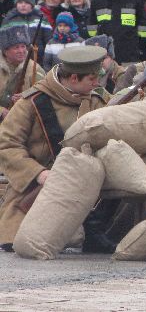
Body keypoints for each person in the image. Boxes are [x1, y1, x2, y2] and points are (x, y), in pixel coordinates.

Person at [0, 46, 110, 253]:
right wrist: (38, 174)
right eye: (92, 79)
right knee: (23, 241)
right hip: (36, 186)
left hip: (87, 187)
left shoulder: (96, 100)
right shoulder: (32, 102)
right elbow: (6, 144)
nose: (97, 83)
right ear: (74, 78)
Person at [0, 25, 45, 122]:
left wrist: (26, 97)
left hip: (23, 121)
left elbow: (44, 94)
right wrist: (1, 112)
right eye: (16, 47)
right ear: (5, 51)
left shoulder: (35, 69)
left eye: (23, 46)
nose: (21, 51)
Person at [2, 0, 53, 65]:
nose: (23, 5)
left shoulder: (41, 18)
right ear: (16, 4)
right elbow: (3, 43)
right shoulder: (9, 19)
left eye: (26, 2)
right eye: (20, 2)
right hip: (15, 62)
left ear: (32, 5)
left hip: (38, 60)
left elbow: (48, 40)